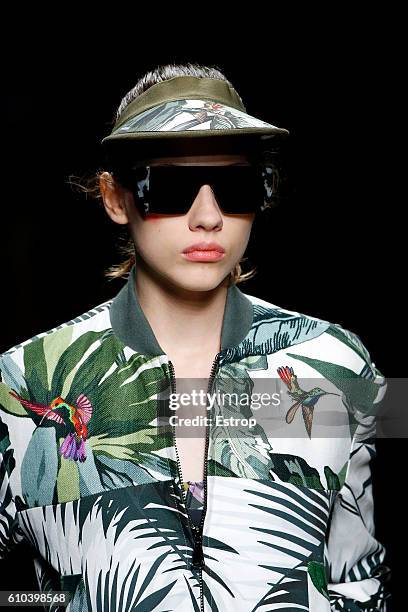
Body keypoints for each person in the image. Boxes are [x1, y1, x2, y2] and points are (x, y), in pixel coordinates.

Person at [0, 63, 391, 611]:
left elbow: (362, 582)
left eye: (234, 187)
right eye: (172, 187)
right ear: (115, 198)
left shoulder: (338, 366)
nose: (207, 217)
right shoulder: (21, 381)